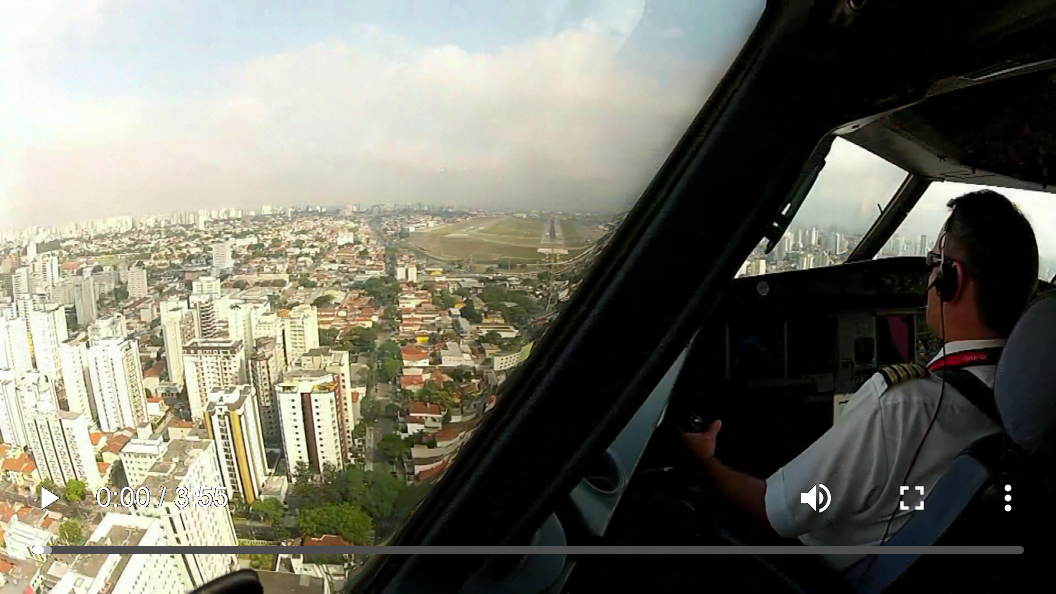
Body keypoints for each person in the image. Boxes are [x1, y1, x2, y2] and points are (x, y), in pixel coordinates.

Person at [682, 189, 1039, 570]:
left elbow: (773, 510)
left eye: (934, 263)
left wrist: (704, 459)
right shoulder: (1034, 404)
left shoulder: (903, 404)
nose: (930, 277)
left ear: (953, 280)